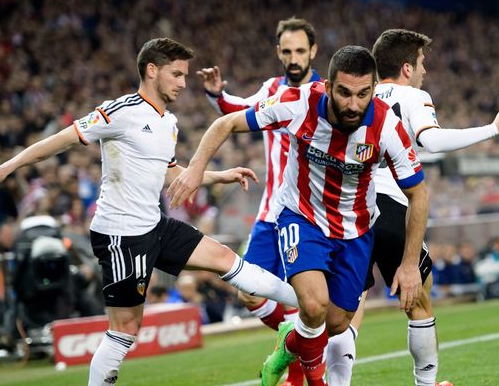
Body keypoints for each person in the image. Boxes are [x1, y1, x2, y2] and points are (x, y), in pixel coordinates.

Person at [0, 37, 298, 386]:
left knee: (224, 257)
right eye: (176, 74)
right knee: (126, 330)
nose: (183, 83)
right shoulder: (120, 111)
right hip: (120, 235)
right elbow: (61, 140)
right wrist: (8, 166)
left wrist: (221, 175)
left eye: (184, 75)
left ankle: (310, 306)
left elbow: (173, 174)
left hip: (154, 225)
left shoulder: (168, 122)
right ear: (151, 70)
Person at [168, 45, 429, 386]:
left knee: (335, 322)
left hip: (355, 230)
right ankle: (313, 380)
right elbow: (226, 123)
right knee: (314, 303)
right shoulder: (299, 102)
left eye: (363, 94)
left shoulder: (385, 126)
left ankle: (288, 343)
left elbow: (418, 193)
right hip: (302, 218)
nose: (353, 104)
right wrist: (194, 170)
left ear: (373, 88)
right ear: (329, 85)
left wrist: (409, 264)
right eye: (345, 93)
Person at [324, 29, 499, 386]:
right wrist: (491, 129)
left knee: (348, 309)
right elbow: (429, 139)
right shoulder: (411, 95)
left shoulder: (355, 96)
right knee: (419, 302)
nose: (424, 71)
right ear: (405, 67)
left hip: (348, 211)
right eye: (421, 62)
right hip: (390, 206)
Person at [198, 17, 322, 386]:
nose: (294, 57)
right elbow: (239, 110)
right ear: (278, 52)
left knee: (308, 300)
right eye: (287, 51)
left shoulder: (327, 94)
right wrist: (217, 94)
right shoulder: (271, 88)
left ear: (313, 51)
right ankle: (289, 341)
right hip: (271, 213)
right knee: (249, 292)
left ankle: (297, 376)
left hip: (311, 216)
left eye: (301, 50)